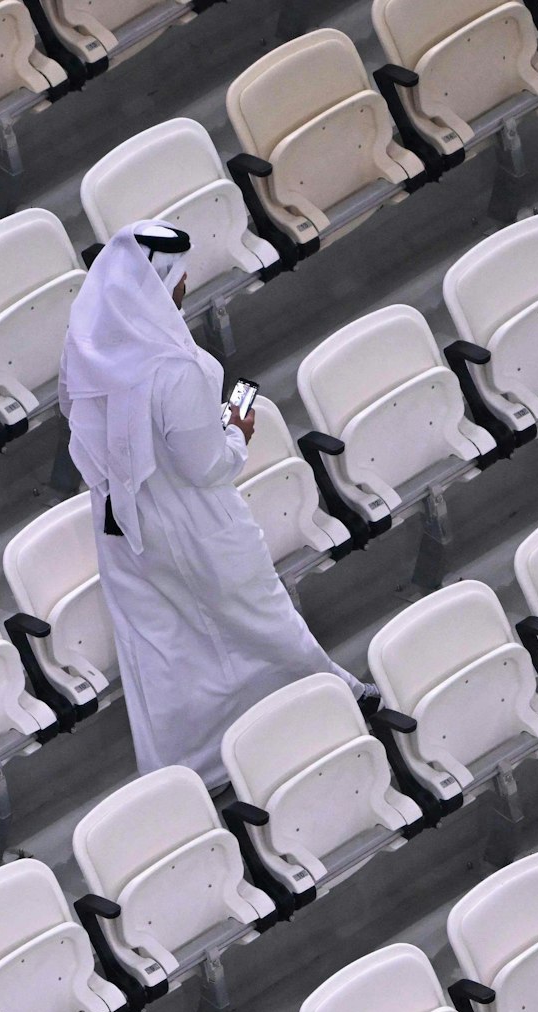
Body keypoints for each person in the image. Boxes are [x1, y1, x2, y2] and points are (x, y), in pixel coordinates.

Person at [58, 221, 374, 786]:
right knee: (263, 617)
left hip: (127, 533)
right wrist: (237, 431)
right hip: (197, 524)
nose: (184, 290)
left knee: (163, 655)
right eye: (178, 281)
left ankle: (181, 778)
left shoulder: (93, 350)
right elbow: (207, 466)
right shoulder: (173, 367)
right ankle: (331, 702)